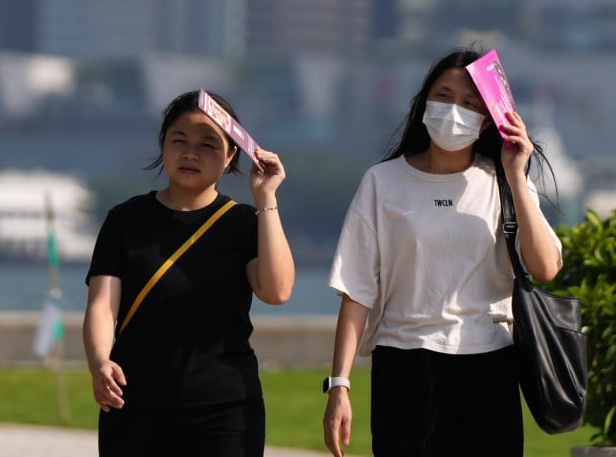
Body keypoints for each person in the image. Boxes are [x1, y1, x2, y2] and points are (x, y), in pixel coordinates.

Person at [321, 47, 563, 457]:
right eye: (444, 96)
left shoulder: (501, 183)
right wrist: (339, 384)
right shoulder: (383, 182)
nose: (454, 110)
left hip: (488, 363)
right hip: (403, 363)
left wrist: (516, 174)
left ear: (487, 119)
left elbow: (546, 267)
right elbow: (356, 289)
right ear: (424, 102)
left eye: (470, 103)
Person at [83, 89, 295, 457]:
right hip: (134, 402)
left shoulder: (244, 222)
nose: (190, 153)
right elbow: (103, 306)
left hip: (225, 406)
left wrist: (266, 198)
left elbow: (276, 291)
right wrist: (100, 361)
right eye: (179, 140)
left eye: (208, 144)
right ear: (163, 144)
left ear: (232, 155)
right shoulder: (125, 219)